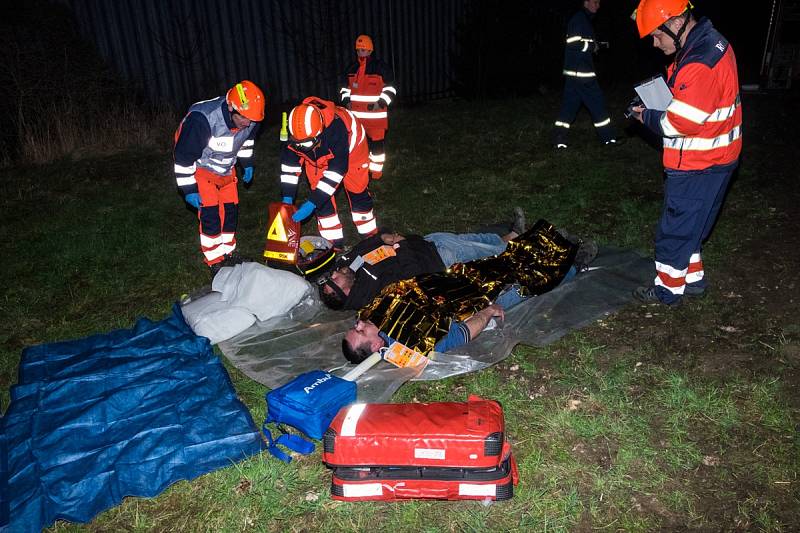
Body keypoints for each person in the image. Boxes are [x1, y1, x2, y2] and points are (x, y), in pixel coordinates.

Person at [341, 221, 586, 362]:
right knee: (527, 280)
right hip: (475, 300)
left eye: (355, 327)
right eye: (360, 331)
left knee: (501, 261)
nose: (359, 324)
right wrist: (488, 312)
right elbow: (458, 335)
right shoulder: (406, 345)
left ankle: (551, 241)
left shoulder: (374, 316)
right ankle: (574, 264)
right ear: (375, 346)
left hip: (454, 281)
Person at [630, 0, 742, 305]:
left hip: (697, 164)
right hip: (718, 159)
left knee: (674, 231)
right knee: (694, 224)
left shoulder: (699, 62)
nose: (655, 43)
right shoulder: (710, 42)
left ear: (676, 23)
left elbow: (679, 122)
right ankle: (692, 280)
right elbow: (695, 96)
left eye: (656, 35)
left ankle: (667, 290)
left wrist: (645, 115)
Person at [320, 210, 526, 311]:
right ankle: (523, 245)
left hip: (426, 243)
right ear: (346, 292)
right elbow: (411, 275)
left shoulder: (348, 269)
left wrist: (381, 237)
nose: (336, 273)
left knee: (472, 239)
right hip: (438, 258)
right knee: (483, 251)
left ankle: (511, 236)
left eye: (331, 276)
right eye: (335, 281)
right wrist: (401, 245)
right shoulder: (371, 294)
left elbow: (359, 249)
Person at [174, 80, 265, 275]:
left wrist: (247, 164)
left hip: (227, 170)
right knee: (211, 216)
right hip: (202, 169)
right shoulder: (202, 120)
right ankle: (215, 260)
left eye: (252, 120)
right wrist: (189, 190)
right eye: (244, 119)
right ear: (231, 107)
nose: (248, 124)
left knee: (230, 212)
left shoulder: (251, 118)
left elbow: (245, 142)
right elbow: (183, 158)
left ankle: (229, 253)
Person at [280, 96, 378, 251]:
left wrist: (312, 202)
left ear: (320, 132)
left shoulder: (336, 130)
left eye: (306, 144)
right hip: (318, 158)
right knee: (321, 198)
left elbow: (336, 172)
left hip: (353, 149)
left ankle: (370, 234)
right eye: (298, 144)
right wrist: (287, 197)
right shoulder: (294, 134)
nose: (302, 148)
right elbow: (289, 168)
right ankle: (332, 241)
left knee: (357, 190)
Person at [553, 0, 618, 149]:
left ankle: (558, 139)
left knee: (569, 108)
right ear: (586, 2)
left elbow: (581, 43)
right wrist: (592, 46)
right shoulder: (579, 19)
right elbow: (573, 43)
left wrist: (596, 44)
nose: (598, 5)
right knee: (597, 104)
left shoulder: (583, 20)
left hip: (574, 74)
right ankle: (609, 139)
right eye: (595, 2)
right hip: (582, 74)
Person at [339, 34, 397, 179]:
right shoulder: (352, 68)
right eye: (358, 50)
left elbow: (391, 88)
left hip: (376, 119)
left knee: (377, 149)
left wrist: (380, 103)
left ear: (370, 50)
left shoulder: (381, 68)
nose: (360, 53)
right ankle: (360, 171)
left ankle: (376, 173)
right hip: (357, 119)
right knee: (359, 147)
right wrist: (346, 101)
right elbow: (344, 88)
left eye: (363, 50)